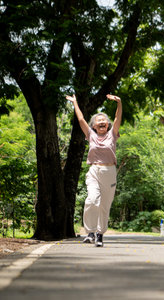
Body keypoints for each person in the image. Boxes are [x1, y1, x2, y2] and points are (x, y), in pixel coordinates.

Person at [66, 93, 122, 247]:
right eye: (99, 121)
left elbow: (117, 118)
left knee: (105, 206)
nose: (102, 122)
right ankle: (90, 232)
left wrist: (119, 103)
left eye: (104, 120)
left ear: (107, 124)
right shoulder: (90, 135)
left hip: (109, 172)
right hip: (94, 171)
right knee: (92, 200)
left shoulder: (112, 134)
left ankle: (99, 234)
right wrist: (75, 103)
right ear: (94, 126)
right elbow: (81, 120)